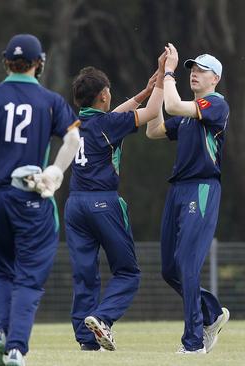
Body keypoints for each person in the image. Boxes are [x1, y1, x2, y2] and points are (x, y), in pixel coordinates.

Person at [0, 34, 80, 366]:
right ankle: (16, 348)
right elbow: (73, 137)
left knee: (2, 274)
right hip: (30, 195)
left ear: (6, 62)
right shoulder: (50, 100)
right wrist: (55, 171)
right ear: (39, 63)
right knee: (29, 276)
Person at [64, 59, 164, 351]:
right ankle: (103, 318)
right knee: (128, 273)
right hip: (103, 203)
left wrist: (144, 92)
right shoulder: (109, 124)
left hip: (74, 206)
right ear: (104, 95)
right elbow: (153, 113)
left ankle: (87, 340)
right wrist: (164, 77)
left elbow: (118, 115)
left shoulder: (76, 124)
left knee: (85, 275)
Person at [145, 44, 229, 354]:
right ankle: (212, 313)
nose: (193, 73)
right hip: (178, 190)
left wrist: (170, 73)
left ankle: (193, 343)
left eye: (201, 70)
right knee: (170, 269)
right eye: (191, 69)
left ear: (215, 78)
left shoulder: (216, 105)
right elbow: (153, 129)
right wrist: (157, 82)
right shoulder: (187, 115)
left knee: (188, 264)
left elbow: (176, 105)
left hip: (202, 188)